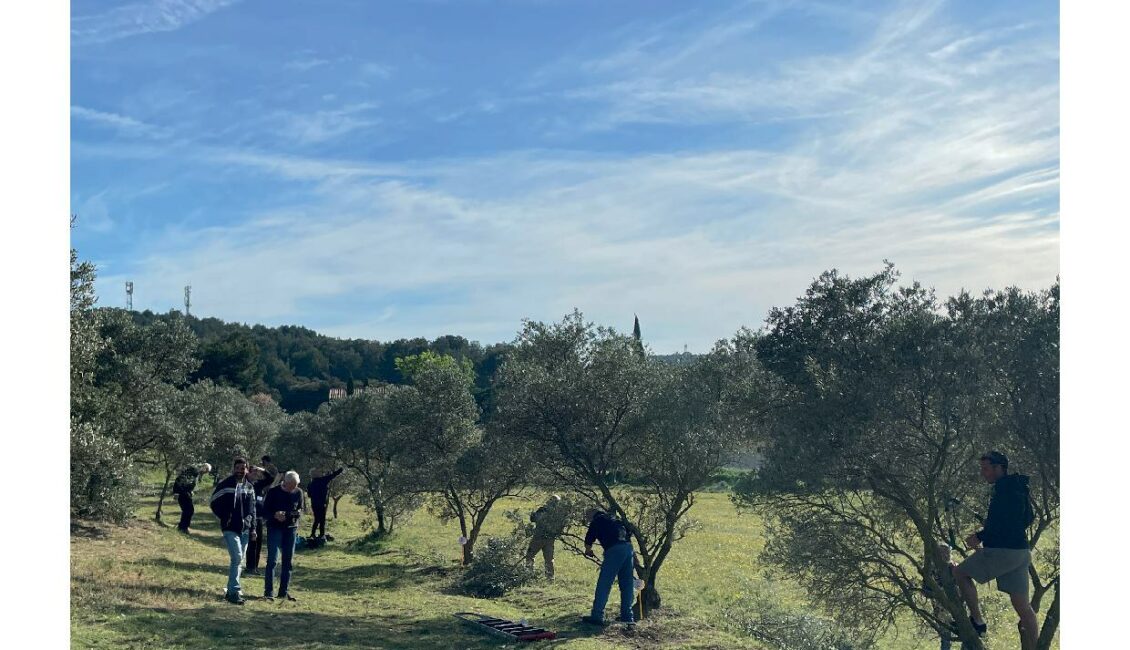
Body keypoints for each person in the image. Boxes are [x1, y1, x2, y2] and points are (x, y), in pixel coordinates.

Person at [952, 451, 1038, 650]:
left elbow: (1004, 523)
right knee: (1023, 606)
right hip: (1020, 552)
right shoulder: (1018, 488)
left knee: (960, 572)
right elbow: (1026, 519)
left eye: (986, 468)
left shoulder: (1005, 491)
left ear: (1000, 468)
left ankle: (978, 622)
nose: (983, 473)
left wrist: (981, 537)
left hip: (1004, 551)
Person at [210, 457, 259, 604]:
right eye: (237, 468)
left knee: (239, 560)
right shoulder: (225, 484)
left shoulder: (249, 487)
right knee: (237, 557)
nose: (240, 471)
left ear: (246, 470)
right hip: (230, 528)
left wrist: (253, 528)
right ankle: (234, 591)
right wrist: (226, 517)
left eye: (242, 468)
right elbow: (213, 502)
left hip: (245, 529)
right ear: (234, 469)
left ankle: (231, 590)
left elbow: (253, 508)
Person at [580, 508, 636, 627]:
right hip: (627, 548)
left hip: (614, 550)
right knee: (627, 584)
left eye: (587, 516)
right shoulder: (614, 518)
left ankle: (597, 616)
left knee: (604, 583)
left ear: (591, 515)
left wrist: (588, 550)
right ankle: (627, 617)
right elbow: (629, 532)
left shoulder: (596, 521)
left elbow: (588, 540)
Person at [263, 470, 305, 602]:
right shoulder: (273, 492)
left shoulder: (298, 492)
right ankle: (268, 592)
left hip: (290, 529)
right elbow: (264, 511)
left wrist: (288, 515)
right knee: (272, 561)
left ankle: (283, 592)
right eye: (291, 486)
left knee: (288, 562)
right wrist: (275, 515)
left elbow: (300, 510)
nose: (293, 489)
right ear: (285, 482)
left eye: (295, 486)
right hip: (274, 528)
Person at [244, 465, 277, 576]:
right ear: (248, 472)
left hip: (259, 519)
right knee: (251, 544)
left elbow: (271, 479)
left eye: (256, 473)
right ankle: (249, 567)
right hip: (249, 519)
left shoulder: (258, 485)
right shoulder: (245, 483)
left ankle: (255, 567)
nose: (255, 474)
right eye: (253, 472)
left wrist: (262, 470)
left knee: (258, 544)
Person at [524, 495, 566, 580]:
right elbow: (561, 527)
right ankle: (550, 577)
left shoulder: (542, 510)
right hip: (550, 539)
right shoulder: (559, 514)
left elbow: (533, 519)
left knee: (529, 556)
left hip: (538, 538)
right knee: (549, 559)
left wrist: (532, 514)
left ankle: (529, 575)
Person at [172, 462, 211, 533]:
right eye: (206, 471)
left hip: (186, 492)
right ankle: (183, 527)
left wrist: (191, 491)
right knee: (188, 510)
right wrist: (176, 492)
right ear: (204, 468)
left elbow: (190, 483)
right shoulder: (193, 471)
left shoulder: (196, 472)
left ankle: (183, 527)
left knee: (188, 510)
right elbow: (179, 480)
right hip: (182, 492)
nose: (205, 473)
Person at [307, 467, 344, 540]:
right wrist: (340, 470)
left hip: (314, 504)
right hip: (322, 503)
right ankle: (321, 535)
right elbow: (332, 475)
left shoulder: (310, 484)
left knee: (317, 519)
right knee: (322, 519)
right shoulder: (323, 480)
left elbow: (309, 495)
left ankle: (313, 534)